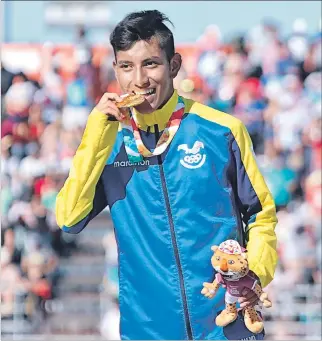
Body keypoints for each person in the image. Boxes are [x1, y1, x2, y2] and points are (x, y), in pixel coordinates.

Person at [56, 10, 278, 340]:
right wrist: (94, 136)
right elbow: (69, 220)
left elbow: (261, 215)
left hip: (227, 325)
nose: (139, 80)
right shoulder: (107, 141)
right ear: (115, 70)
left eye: (151, 64)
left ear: (173, 65)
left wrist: (254, 272)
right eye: (126, 66)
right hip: (146, 330)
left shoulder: (222, 131)